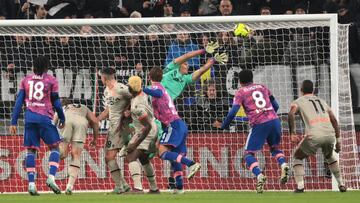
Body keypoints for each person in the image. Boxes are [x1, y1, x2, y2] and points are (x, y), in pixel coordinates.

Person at [221, 70, 289, 193]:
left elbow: (233, 111)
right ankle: (284, 165)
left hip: (259, 123)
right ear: (252, 78)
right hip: (274, 120)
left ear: (240, 82)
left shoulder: (241, 92)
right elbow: (276, 105)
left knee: (248, 154)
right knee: (275, 148)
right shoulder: (262, 87)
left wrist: (224, 125)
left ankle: (259, 175)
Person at [10, 56, 65, 195]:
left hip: (29, 119)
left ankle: (31, 185)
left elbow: (18, 103)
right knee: (55, 148)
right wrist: (62, 117)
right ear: (47, 67)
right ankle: (51, 178)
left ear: (33, 66)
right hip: (45, 118)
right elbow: (57, 103)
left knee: (31, 151)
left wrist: (13, 121)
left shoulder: (26, 80)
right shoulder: (51, 80)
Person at [143, 67, 201, 194]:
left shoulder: (157, 87)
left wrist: (141, 89)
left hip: (173, 125)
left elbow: (157, 93)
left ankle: (191, 164)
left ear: (149, 77)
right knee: (175, 158)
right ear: (162, 76)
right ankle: (179, 188)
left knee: (162, 152)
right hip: (178, 124)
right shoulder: (161, 88)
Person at [288, 80, 347, 193]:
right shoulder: (322, 101)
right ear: (313, 90)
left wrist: (292, 133)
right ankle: (341, 184)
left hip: (314, 134)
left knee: (297, 157)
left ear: (301, 90)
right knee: (329, 157)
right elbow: (334, 120)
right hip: (330, 134)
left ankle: (300, 186)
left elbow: (291, 114)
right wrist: (338, 140)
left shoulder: (298, 101)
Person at [120, 76, 159, 194]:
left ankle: (138, 188)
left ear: (132, 88)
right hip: (148, 128)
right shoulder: (141, 95)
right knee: (143, 158)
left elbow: (147, 126)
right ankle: (154, 188)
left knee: (131, 156)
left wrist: (135, 143)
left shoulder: (138, 104)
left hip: (147, 131)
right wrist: (129, 112)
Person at [96, 67, 132, 194]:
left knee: (110, 156)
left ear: (104, 77)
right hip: (113, 127)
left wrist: (129, 110)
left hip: (122, 127)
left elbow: (138, 96)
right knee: (108, 157)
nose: (100, 78)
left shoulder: (121, 88)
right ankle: (123, 185)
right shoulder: (106, 91)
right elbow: (108, 111)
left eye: (101, 76)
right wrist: (96, 120)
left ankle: (121, 186)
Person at [57, 98, 99, 195]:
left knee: (62, 154)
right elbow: (95, 121)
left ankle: (52, 173)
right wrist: (95, 139)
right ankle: (70, 186)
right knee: (76, 155)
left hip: (66, 120)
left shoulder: (61, 108)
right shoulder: (83, 107)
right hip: (81, 122)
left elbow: (52, 123)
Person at [162, 41, 228, 100]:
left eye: (187, 65)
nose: (188, 66)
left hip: (166, 101)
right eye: (185, 64)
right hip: (156, 92)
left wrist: (213, 60)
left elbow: (201, 70)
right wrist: (204, 50)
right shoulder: (170, 68)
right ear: (179, 65)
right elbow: (187, 56)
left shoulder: (186, 79)